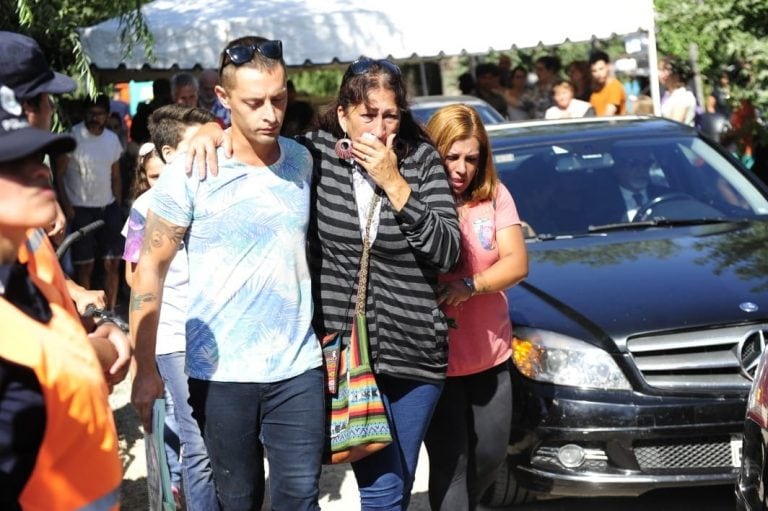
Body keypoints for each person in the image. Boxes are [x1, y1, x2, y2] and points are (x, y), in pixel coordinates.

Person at [187, 54, 462, 510]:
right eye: (367, 115)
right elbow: (256, 143)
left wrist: (394, 183)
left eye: (390, 115)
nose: (379, 127)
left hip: (413, 348)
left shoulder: (421, 160)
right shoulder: (312, 156)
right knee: (383, 486)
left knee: (397, 477)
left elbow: (447, 251)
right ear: (342, 115)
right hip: (343, 354)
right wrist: (210, 129)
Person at [130, 36, 325, 510]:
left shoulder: (301, 160)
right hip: (220, 375)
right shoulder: (193, 170)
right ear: (223, 99)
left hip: (297, 366)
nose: (270, 114)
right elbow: (150, 269)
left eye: (278, 99)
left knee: (299, 496)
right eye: (254, 102)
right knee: (236, 500)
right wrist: (143, 368)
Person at [0, 87, 122, 511]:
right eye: (13, 163)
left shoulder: (19, 283)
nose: (40, 171)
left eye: (38, 156)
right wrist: (105, 348)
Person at [0, 30, 130, 388]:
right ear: (22, 106)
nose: (51, 110)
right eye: (46, 99)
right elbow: (38, 362)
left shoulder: (24, 221)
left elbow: (30, 278)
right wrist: (100, 348)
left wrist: (72, 291)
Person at [423, 104, 528, 510]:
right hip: (436, 362)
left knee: (490, 455)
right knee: (452, 463)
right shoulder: (417, 200)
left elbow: (516, 263)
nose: (461, 168)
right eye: (451, 156)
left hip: (489, 357)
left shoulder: (495, 196)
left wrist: (472, 285)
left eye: (471, 158)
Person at [123, 105, 219, 511]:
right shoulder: (146, 207)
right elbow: (137, 276)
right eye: (195, 144)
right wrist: (141, 361)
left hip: (218, 333)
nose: (207, 150)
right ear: (166, 153)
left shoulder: (213, 190)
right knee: (198, 443)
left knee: (218, 439)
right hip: (175, 337)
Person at [54, 94, 125, 312]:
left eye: (100, 114)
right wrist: (67, 208)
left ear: (107, 115)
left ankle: (111, 312)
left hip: (108, 208)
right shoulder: (73, 137)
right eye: (91, 113)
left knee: (112, 263)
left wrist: (118, 205)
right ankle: (87, 315)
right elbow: (59, 174)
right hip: (80, 210)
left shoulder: (112, 139)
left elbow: (115, 175)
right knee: (85, 265)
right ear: (84, 114)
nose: (95, 118)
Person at [604, 150, 669, 222]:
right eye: (634, 164)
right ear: (617, 168)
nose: (642, 170)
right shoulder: (601, 201)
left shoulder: (666, 196)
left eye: (646, 164)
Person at [658, 55, 697, 126]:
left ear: (676, 75)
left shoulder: (683, 97)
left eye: (663, 70)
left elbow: (674, 126)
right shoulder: (669, 95)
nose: (660, 74)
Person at [589, 50, 626, 116]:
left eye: (601, 69)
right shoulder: (595, 90)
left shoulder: (615, 86)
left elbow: (608, 114)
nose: (598, 74)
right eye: (594, 71)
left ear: (607, 67)